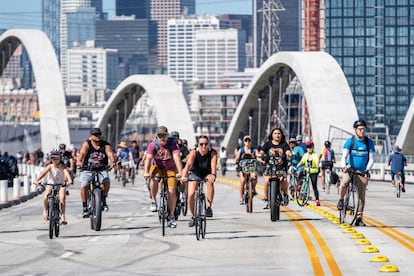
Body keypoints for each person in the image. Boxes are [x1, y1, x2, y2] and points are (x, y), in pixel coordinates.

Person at [337, 119, 375, 226]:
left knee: (361, 196)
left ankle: (359, 218)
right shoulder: (351, 141)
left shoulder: (369, 143)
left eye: (363, 129)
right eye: (360, 129)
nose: (362, 131)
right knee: (344, 182)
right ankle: (341, 199)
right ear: (355, 130)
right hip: (350, 168)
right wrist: (344, 166)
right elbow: (344, 156)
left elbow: (371, 159)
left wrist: (367, 169)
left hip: (362, 171)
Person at [143, 126, 183, 229]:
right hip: (158, 167)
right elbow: (148, 159)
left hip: (170, 168)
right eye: (160, 136)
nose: (162, 138)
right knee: (154, 178)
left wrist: (180, 172)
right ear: (157, 136)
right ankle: (153, 201)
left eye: (164, 135)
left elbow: (177, 158)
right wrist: (146, 172)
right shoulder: (153, 145)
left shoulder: (172, 144)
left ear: (167, 135)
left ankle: (172, 215)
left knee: (171, 191)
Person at [76, 127, 116, 217]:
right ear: (91, 136)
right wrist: (79, 161)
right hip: (87, 169)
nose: (98, 136)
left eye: (99, 134)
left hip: (102, 168)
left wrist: (112, 161)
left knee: (106, 181)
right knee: (84, 184)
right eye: (95, 135)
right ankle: (85, 207)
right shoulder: (87, 144)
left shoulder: (105, 145)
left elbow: (110, 154)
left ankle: (104, 199)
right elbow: (82, 153)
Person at [182, 135, 218, 227]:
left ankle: (209, 207)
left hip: (207, 173)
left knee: (210, 183)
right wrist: (183, 176)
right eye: (201, 144)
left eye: (206, 144)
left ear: (208, 144)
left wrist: (213, 175)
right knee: (191, 194)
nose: (203, 146)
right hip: (195, 173)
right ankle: (193, 216)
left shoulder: (212, 153)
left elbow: (213, 166)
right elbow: (188, 165)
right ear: (198, 144)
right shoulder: (194, 152)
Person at [34, 149, 73, 224]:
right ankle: (45, 210)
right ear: (51, 159)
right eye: (53, 158)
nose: (55, 160)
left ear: (60, 159)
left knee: (62, 199)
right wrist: (37, 180)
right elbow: (43, 174)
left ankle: (63, 216)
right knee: (46, 196)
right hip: (50, 184)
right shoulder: (50, 166)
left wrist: (69, 181)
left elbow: (67, 175)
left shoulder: (63, 166)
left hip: (60, 185)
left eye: (57, 158)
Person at [259, 127, 292, 209]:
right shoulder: (267, 144)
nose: (277, 135)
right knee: (266, 181)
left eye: (279, 133)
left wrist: (289, 154)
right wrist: (260, 155)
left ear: (281, 135)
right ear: (272, 135)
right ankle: (266, 199)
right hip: (269, 167)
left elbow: (288, 151)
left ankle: (285, 194)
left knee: (283, 180)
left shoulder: (284, 144)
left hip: (281, 167)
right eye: (275, 133)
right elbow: (262, 152)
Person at [233, 135, 258, 205]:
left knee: (255, 177)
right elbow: (237, 157)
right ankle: (241, 197)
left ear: (251, 142)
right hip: (243, 167)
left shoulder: (254, 150)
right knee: (243, 180)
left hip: (252, 167)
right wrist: (235, 161)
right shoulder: (241, 150)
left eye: (249, 140)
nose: (247, 142)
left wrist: (260, 158)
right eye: (246, 140)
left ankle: (253, 189)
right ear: (244, 142)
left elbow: (258, 155)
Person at [297, 140, 321, 206]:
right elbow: (302, 161)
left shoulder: (315, 155)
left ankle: (317, 200)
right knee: (300, 175)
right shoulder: (305, 155)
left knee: (314, 185)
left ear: (313, 147)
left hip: (313, 171)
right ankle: (299, 186)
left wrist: (318, 164)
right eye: (308, 147)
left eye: (310, 147)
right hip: (306, 170)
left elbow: (317, 161)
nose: (309, 148)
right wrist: (299, 164)